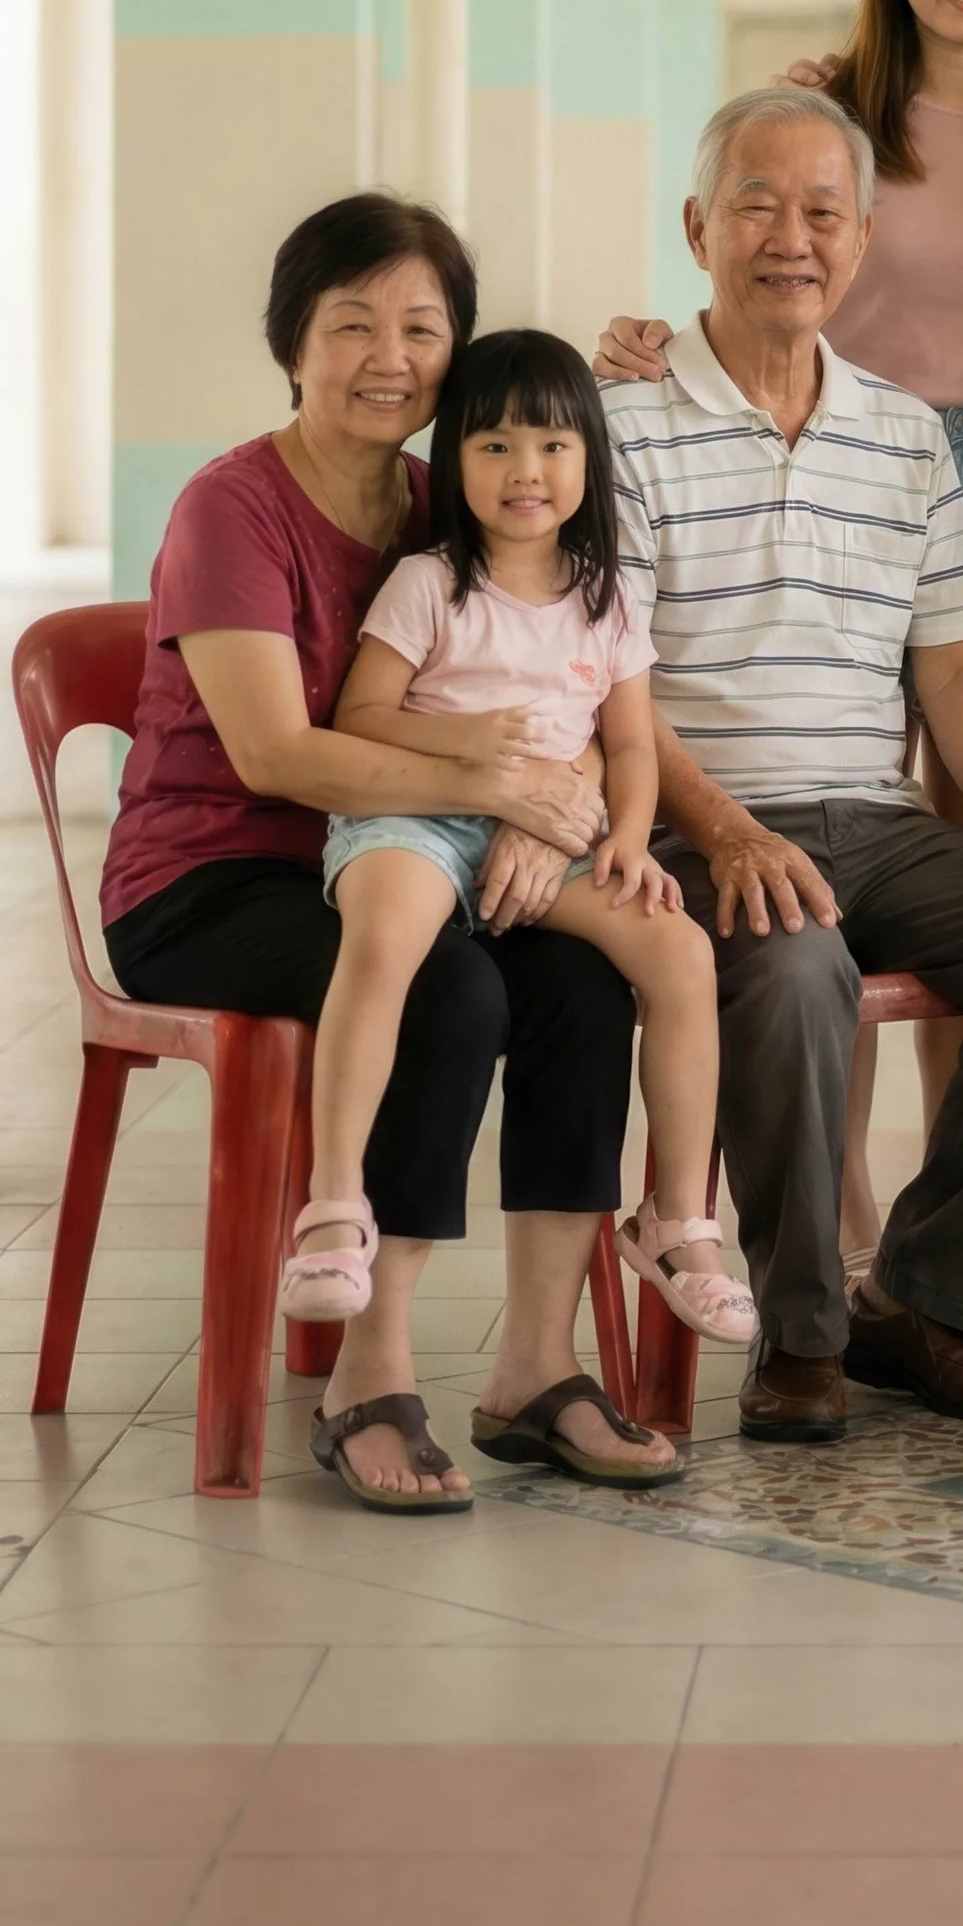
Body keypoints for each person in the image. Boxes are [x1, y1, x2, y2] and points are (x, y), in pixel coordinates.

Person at [98, 197, 679, 1512]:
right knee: (452, 989)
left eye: (421, 326)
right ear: (290, 342)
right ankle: (373, 1369)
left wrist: (564, 794)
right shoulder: (231, 506)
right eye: (350, 321)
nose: (388, 353)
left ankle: (537, 1365)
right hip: (214, 874)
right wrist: (501, 785)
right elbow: (277, 754)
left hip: (419, 856)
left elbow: (568, 686)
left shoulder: (456, 493)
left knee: (585, 987)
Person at [594, 0, 963, 1280]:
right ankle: (835, 1220)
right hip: (811, 445)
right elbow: (755, 233)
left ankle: (950, 1241)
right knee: (815, 870)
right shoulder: (830, 99)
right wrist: (641, 343)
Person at [604, 86, 963, 1441]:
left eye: (824, 210)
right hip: (689, 818)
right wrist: (719, 828)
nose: (794, 236)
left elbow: (951, 657)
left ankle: (926, 1300)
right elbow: (612, 675)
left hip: (876, 815)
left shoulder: (901, 432)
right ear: (696, 225)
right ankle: (801, 1331)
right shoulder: (623, 419)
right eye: (759, 206)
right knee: (790, 966)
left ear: (863, 234)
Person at [287, 329, 756, 1384]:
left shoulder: (606, 599)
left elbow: (632, 744)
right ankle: (334, 1200)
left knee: (679, 956)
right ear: (454, 460)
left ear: (590, 462)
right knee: (388, 933)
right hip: (415, 818)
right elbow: (363, 714)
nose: (525, 472)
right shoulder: (429, 581)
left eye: (551, 445)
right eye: (494, 446)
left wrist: (628, 839)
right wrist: (468, 748)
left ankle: (676, 1216)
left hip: (558, 833)